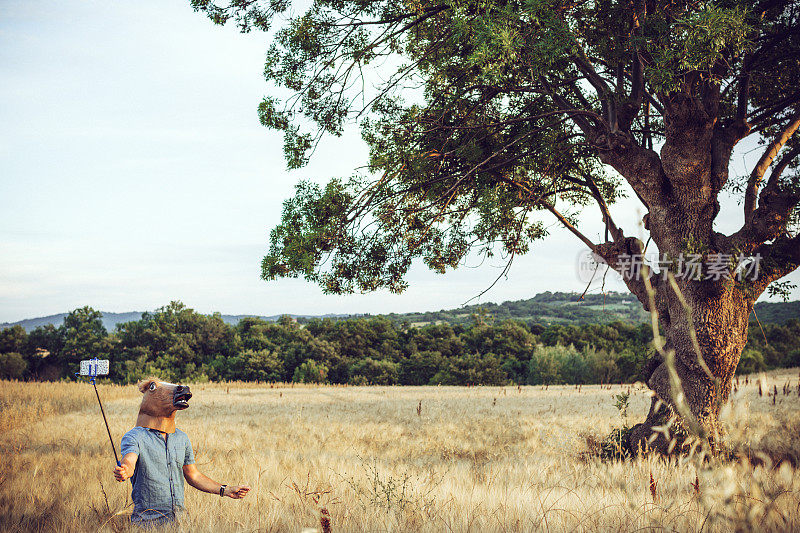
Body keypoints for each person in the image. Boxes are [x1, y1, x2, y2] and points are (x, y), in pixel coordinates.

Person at [113, 378, 249, 527]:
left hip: (180, 523)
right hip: (147, 524)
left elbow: (193, 475)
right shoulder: (135, 436)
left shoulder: (181, 438)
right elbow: (129, 461)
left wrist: (226, 490)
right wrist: (125, 470)